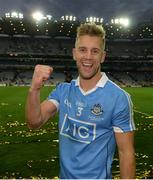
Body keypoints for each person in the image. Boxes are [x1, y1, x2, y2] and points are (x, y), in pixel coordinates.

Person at [26, 23, 136, 179]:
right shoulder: (63, 91)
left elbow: (126, 153)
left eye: (95, 51)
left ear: (103, 56)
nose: (88, 57)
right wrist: (34, 89)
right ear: (74, 53)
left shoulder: (118, 98)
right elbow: (34, 122)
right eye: (83, 50)